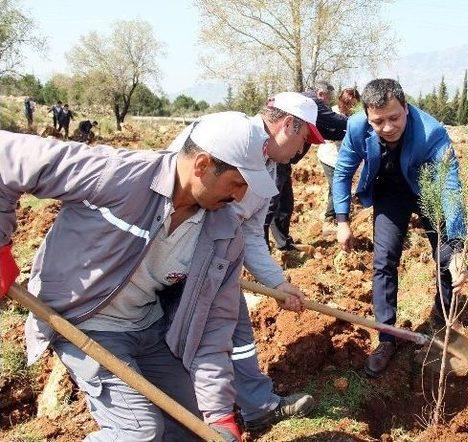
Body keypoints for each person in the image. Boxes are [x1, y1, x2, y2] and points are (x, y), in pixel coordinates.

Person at [0, 113, 284, 441]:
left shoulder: (224, 233)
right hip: (83, 322)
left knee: (193, 429)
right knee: (139, 433)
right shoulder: (119, 174)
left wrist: (220, 412)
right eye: (237, 183)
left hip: (148, 327)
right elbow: (7, 157)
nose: (239, 196)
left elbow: (213, 329)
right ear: (203, 165)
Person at [168, 92, 322, 434]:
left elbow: (251, 233)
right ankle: (207, 420)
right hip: (181, 258)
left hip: (220, 262)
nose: (301, 151)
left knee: (237, 334)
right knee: (197, 341)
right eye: (302, 140)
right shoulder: (225, 136)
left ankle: (257, 407)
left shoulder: (269, 168)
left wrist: (277, 284)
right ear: (287, 125)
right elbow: (174, 185)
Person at [332, 79, 467, 377]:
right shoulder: (356, 128)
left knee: (445, 259)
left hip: (429, 190)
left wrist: (457, 246)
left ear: (406, 108)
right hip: (389, 192)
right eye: (378, 121)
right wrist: (342, 221)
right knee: (383, 262)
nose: (388, 127)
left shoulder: (432, 134)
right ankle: (386, 338)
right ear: (367, 116)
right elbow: (342, 173)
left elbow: (451, 189)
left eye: (394, 118)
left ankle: (443, 321)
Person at [263, 81, 346, 251]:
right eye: (327, 99)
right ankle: (261, 247)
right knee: (271, 202)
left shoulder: (308, 108)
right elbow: (336, 121)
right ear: (322, 94)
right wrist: (360, 122)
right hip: (279, 160)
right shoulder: (312, 103)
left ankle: (282, 242)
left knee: (285, 202)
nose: (327, 103)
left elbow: (328, 131)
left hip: (283, 162)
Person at [316, 87, 361, 236]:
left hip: (343, 159)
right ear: (342, 101)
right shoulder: (332, 113)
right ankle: (329, 220)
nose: (351, 106)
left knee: (343, 186)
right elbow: (332, 136)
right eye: (348, 103)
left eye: (354, 104)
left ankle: (340, 215)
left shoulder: (354, 116)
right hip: (329, 157)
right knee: (335, 186)